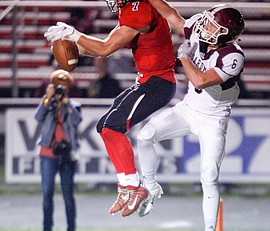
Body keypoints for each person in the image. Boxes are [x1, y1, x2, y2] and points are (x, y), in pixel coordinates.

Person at [44, 0, 176, 217]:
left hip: (158, 84)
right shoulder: (131, 12)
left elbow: (104, 49)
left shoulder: (141, 9)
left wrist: (75, 34)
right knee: (103, 127)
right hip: (148, 82)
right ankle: (125, 186)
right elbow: (103, 47)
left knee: (113, 126)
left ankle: (135, 186)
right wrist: (71, 45)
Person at [136, 2, 245, 231]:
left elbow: (201, 80)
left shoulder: (233, 56)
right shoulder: (198, 29)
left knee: (208, 176)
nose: (204, 26)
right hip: (188, 108)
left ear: (225, 35)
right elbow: (172, 15)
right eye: (207, 21)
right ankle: (150, 186)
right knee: (146, 135)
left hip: (214, 118)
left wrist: (184, 56)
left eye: (212, 26)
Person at [34, 70, 82, 231]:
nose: (62, 86)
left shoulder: (73, 105)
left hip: (67, 154)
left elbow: (76, 120)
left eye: (64, 83)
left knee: (68, 196)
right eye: (58, 83)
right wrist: (47, 99)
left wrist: (66, 104)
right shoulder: (48, 104)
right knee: (47, 194)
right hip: (48, 152)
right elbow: (38, 117)